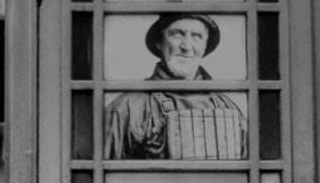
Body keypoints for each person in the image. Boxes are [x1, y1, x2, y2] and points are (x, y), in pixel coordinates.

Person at [104, 11, 248, 160]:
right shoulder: (127, 108)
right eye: (177, 34)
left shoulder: (228, 109)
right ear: (159, 42)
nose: (187, 46)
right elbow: (103, 177)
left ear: (205, 45)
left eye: (196, 36)